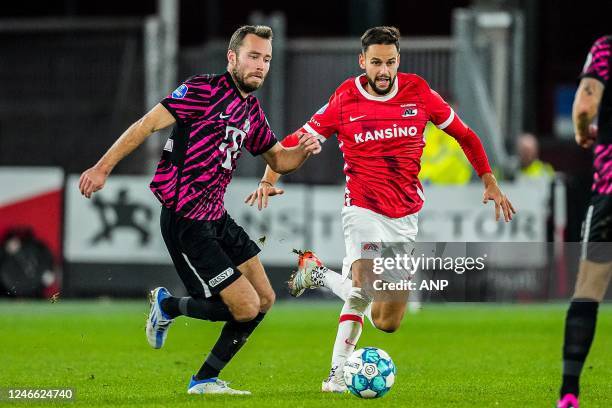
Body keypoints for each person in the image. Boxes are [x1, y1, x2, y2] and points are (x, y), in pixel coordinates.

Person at [245, 26, 515, 393]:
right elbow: (295, 141)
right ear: (363, 62)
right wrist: (267, 177)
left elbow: (465, 135)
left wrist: (488, 179)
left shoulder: (418, 92)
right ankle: (336, 375)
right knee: (363, 280)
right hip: (363, 208)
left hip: (404, 217)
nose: (383, 70)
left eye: (390, 62)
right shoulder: (344, 99)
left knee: (387, 320)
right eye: (376, 63)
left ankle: (318, 275)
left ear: (398, 61)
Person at [78, 25, 321, 396]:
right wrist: (102, 167)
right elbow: (145, 125)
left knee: (265, 300)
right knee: (243, 308)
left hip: (215, 216)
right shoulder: (202, 90)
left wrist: (302, 151)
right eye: (253, 56)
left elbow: (279, 159)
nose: (261, 65)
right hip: (185, 219)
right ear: (232, 57)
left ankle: (202, 374)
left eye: (267, 59)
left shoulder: (251, 110)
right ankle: (175, 318)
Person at [557, 35, 611, 408]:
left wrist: (580, 130)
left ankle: (569, 393)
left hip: (610, 190)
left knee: (588, 290)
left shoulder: (606, 49)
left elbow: (586, 101)